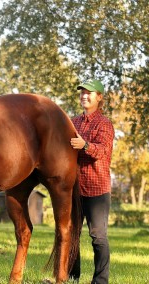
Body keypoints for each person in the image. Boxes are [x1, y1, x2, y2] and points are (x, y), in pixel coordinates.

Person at [69, 79, 115, 284]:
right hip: (74, 189)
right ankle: (71, 277)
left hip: (97, 190)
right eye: (82, 93)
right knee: (70, 236)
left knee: (98, 238)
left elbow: (103, 151)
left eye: (89, 93)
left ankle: (100, 281)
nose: (84, 96)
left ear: (99, 97)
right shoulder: (72, 122)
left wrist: (84, 145)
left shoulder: (104, 124)